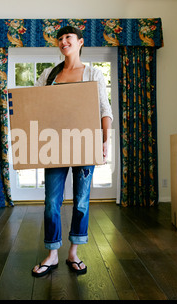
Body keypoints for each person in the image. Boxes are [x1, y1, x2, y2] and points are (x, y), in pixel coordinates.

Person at [31, 26, 113, 277]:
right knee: (51, 202)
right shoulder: (48, 74)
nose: (63, 41)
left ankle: (73, 252)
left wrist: (104, 141)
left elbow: (104, 110)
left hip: (85, 143)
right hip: (54, 144)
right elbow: (34, 105)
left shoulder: (93, 73)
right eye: (60, 38)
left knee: (81, 201)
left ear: (80, 42)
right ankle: (52, 253)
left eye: (68, 37)